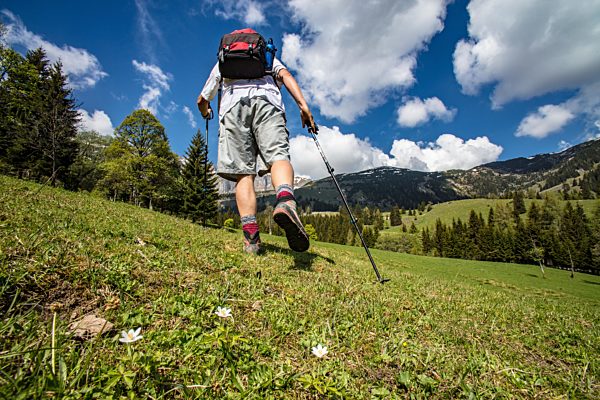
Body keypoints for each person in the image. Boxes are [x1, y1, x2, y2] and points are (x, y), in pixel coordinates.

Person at [197, 30, 317, 255]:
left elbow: (202, 99)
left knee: (243, 174)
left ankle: (251, 239)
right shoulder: (267, 57)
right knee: (278, 157)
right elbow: (287, 76)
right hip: (268, 103)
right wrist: (303, 106)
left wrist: (207, 111)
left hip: (232, 108)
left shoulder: (223, 62)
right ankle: (285, 201)